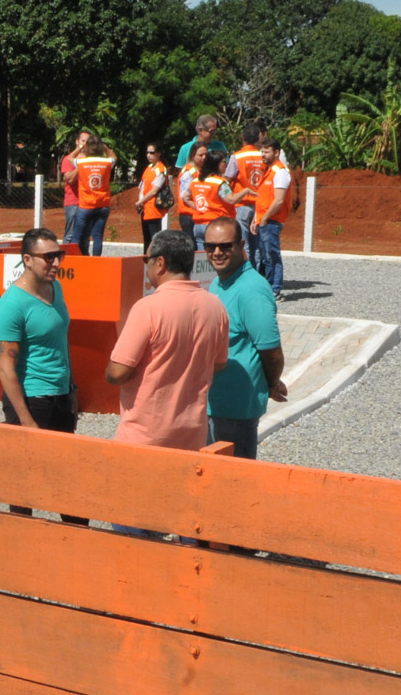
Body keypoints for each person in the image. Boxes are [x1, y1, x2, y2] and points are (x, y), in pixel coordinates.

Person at [106, 229, 230, 451]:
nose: (147, 266)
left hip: (145, 434)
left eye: (147, 260)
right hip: (193, 432)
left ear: (160, 263)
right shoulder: (215, 306)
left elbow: (117, 373)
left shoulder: (147, 308)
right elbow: (219, 363)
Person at [205, 217, 286, 459]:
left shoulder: (252, 290)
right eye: (210, 246)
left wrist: (270, 384)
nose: (217, 252)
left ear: (241, 245)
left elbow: (271, 352)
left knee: (232, 483)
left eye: (225, 246)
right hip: (216, 403)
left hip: (235, 408)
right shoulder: (221, 282)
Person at [0, 228, 75, 433]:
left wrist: (72, 390)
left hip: (61, 396)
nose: (56, 263)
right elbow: (5, 368)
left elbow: (62, 342)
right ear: (27, 260)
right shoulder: (12, 304)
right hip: (33, 400)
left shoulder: (56, 287)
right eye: (49, 257)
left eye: (59, 255)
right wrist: (26, 421)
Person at [246, 136, 296, 299]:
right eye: (262, 151)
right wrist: (256, 218)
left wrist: (265, 218)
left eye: (266, 152)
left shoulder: (280, 172)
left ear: (276, 152)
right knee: (265, 256)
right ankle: (268, 287)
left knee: (271, 255)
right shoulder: (268, 171)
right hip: (263, 220)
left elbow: (279, 200)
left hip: (271, 221)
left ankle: (275, 289)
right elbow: (263, 198)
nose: (263, 155)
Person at [225, 123, 268, 272]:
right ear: (258, 138)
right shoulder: (263, 156)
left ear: (242, 138)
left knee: (244, 243)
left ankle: (246, 273)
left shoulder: (237, 156)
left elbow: (228, 178)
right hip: (259, 205)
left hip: (241, 204)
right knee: (257, 244)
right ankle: (256, 273)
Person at [71, 137, 116, 256]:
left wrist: (80, 147)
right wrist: (104, 147)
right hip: (103, 204)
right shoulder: (107, 162)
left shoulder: (81, 162)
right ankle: (96, 261)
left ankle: (75, 261)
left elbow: (70, 158)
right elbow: (114, 156)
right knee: (97, 236)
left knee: (77, 235)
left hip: (86, 204)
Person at [185, 148, 230, 245]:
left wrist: (200, 208)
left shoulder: (196, 181)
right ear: (216, 164)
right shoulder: (220, 182)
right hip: (215, 224)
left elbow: (185, 197)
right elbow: (231, 199)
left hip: (199, 225)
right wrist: (245, 192)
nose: (225, 164)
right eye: (223, 162)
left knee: (202, 257)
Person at [59, 129, 90, 247]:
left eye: (88, 142)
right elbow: (70, 179)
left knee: (85, 236)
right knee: (70, 235)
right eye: (83, 141)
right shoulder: (68, 159)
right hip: (73, 203)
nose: (85, 144)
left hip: (87, 204)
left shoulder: (91, 160)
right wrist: (81, 166)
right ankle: (66, 260)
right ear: (77, 141)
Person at [135, 142, 171, 247]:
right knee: (146, 239)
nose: (149, 155)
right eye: (147, 153)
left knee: (154, 238)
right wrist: (140, 202)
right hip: (145, 208)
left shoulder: (161, 169)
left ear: (158, 153)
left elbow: (154, 190)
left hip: (154, 208)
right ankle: (146, 260)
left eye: (152, 152)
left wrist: (140, 201)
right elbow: (142, 186)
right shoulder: (149, 168)